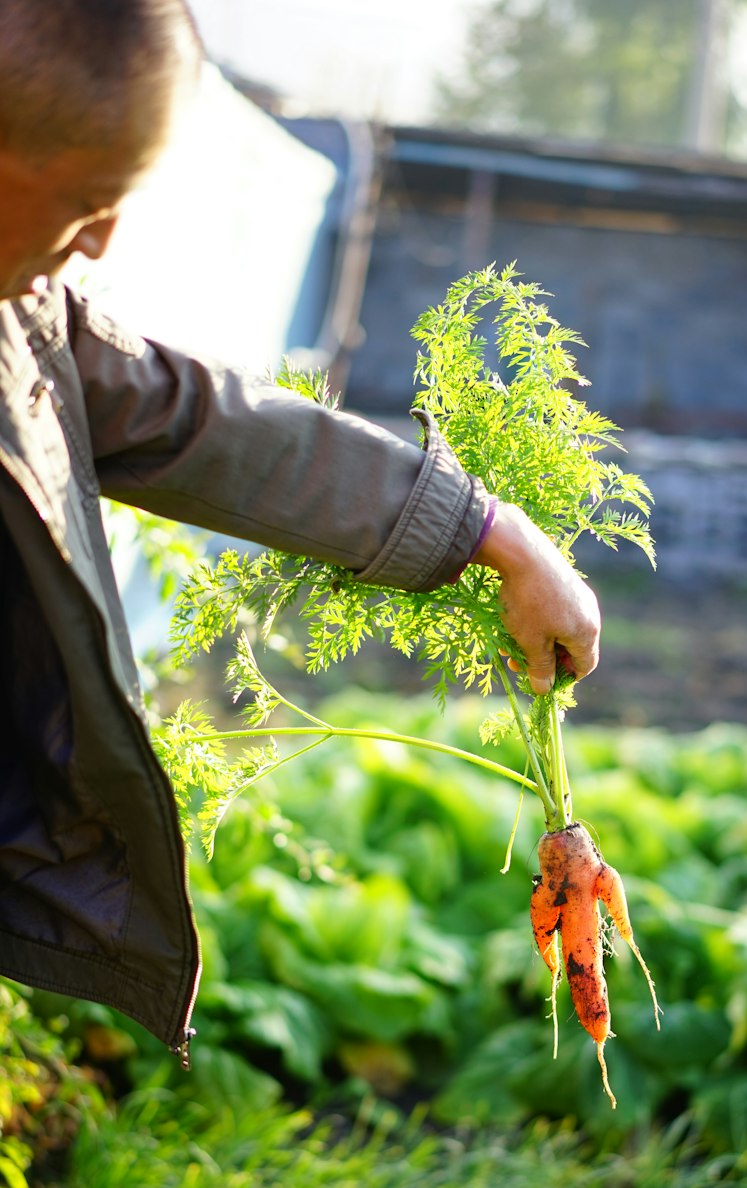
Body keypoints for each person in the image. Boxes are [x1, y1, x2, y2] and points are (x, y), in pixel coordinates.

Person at [0, 0, 601, 1064]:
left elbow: (188, 416)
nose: (101, 242)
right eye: (92, 199)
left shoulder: (23, 313)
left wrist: (493, 532)